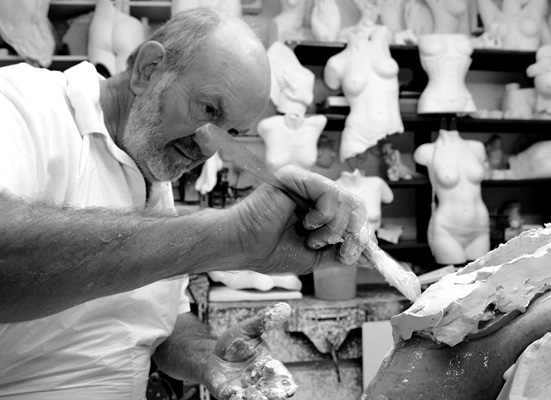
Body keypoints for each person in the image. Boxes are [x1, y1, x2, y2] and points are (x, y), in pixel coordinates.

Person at [0, 9, 372, 399]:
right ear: (149, 69)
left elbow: (159, 322)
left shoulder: (152, 165)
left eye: (230, 132)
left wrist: (209, 357)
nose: (210, 145)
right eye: (210, 110)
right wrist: (231, 237)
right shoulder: (22, 103)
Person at [324, 25, 404, 162]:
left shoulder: (381, 44)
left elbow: (386, 30)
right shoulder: (336, 62)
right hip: (358, 133)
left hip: (394, 126)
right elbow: (332, 84)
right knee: (352, 178)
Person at [413, 129, 490, 265]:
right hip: (447, 228)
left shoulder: (477, 147)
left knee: (480, 280)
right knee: (451, 281)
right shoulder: (426, 151)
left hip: (480, 227)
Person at [476, 0, 551, 51]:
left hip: (531, 61)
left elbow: (548, 43)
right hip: (502, 66)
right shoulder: (494, 14)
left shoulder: (535, 9)